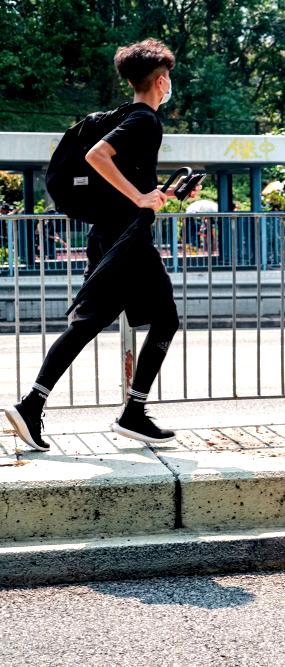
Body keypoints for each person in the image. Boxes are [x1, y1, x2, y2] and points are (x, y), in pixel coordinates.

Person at [4, 39, 179, 450]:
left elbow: (114, 171)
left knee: (89, 323)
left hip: (111, 233)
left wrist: (150, 194)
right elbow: (98, 156)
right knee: (163, 319)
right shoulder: (143, 119)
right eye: (168, 80)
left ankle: (37, 405)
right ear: (161, 80)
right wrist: (139, 199)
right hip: (126, 237)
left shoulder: (125, 116)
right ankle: (123, 412)